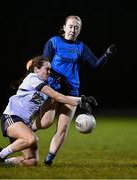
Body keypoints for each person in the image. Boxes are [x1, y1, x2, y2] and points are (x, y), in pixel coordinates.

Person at [29, 15, 117, 166]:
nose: (73, 30)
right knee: (46, 122)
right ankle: (27, 130)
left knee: (62, 128)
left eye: (76, 27)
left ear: (80, 30)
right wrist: (57, 77)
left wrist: (107, 55)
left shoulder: (80, 47)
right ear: (64, 27)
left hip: (71, 91)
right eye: (70, 26)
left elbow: (96, 65)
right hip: (53, 89)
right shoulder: (53, 42)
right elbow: (45, 64)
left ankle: (48, 161)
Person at [0, 55, 95, 167]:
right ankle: (1, 154)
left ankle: (1, 164)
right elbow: (57, 96)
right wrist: (80, 103)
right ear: (36, 70)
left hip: (24, 123)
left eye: (50, 69)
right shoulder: (33, 79)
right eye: (47, 69)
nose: (49, 72)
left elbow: (58, 96)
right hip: (12, 118)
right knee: (32, 139)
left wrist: (82, 99)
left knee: (32, 161)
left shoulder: (45, 86)